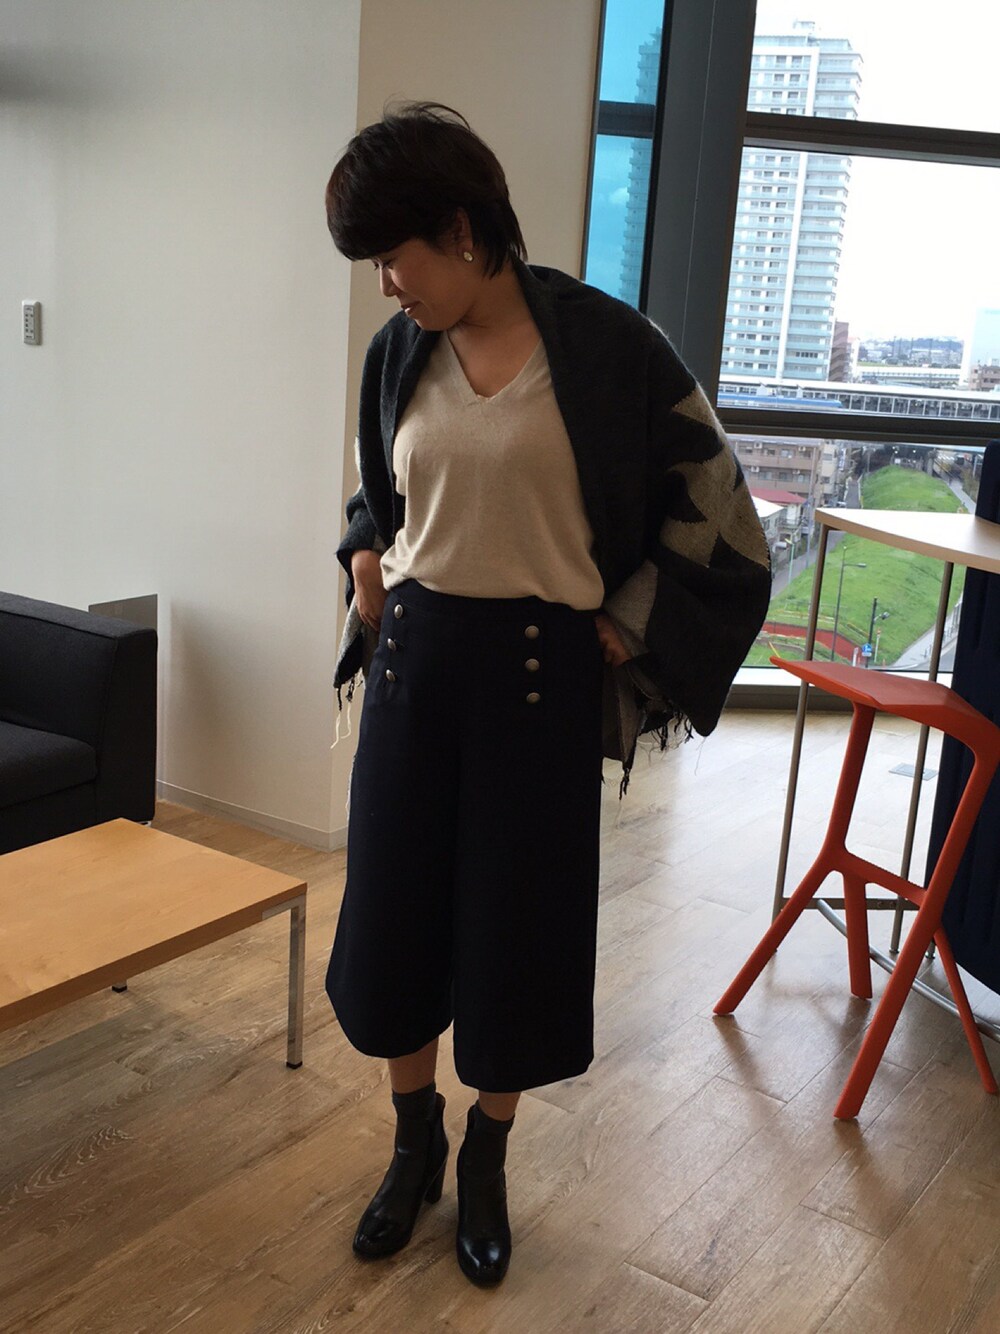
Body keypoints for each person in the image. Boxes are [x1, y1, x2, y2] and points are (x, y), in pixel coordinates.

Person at [324, 103, 770, 1286]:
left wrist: (629, 619)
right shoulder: (400, 350)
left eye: (393, 256)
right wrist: (363, 550)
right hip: (413, 673)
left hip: (537, 686)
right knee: (395, 925)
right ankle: (413, 1144)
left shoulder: (610, 349)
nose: (385, 285)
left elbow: (718, 504)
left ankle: (486, 1158)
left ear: (461, 230)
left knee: (512, 934)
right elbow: (382, 483)